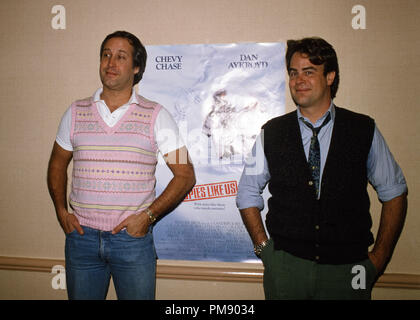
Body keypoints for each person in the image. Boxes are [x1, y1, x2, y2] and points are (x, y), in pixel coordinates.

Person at [236, 37, 408, 300]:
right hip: (286, 269)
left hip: (349, 271)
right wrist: (265, 250)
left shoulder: (362, 130)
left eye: (309, 72)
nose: (298, 80)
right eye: (293, 73)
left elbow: (395, 192)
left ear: (330, 76)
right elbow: (247, 192)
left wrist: (379, 259)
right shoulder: (272, 132)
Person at [47, 31, 196, 300]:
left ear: (136, 67)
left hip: (132, 241)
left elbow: (185, 175)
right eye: (106, 55)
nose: (110, 62)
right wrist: (61, 212)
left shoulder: (156, 115)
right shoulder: (75, 112)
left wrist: (148, 217)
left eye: (120, 56)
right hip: (82, 239)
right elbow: (57, 165)